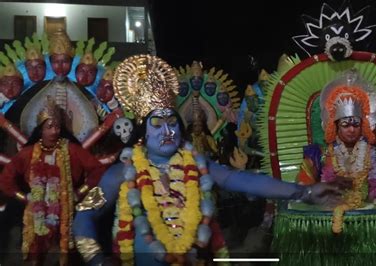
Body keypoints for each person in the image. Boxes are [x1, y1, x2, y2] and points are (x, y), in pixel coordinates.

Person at [72, 55, 341, 266]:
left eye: (172, 123)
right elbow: (83, 216)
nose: (169, 131)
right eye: (157, 123)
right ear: (142, 131)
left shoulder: (197, 165)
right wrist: (96, 260)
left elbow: (240, 180)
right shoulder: (121, 174)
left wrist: (303, 191)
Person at [296, 70, 376, 233]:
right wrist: (325, 186)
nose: (351, 130)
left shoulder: (374, 155)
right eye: (345, 125)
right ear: (335, 126)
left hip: (368, 224)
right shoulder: (321, 154)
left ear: (364, 126)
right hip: (328, 220)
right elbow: (304, 185)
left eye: (356, 125)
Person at [0, 98, 107, 266]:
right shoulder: (28, 153)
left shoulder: (71, 149)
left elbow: (97, 169)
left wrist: (80, 192)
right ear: (40, 129)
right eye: (49, 127)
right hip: (35, 210)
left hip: (67, 209)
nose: (54, 131)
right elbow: (6, 178)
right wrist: (24, 197)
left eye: (57, 126)